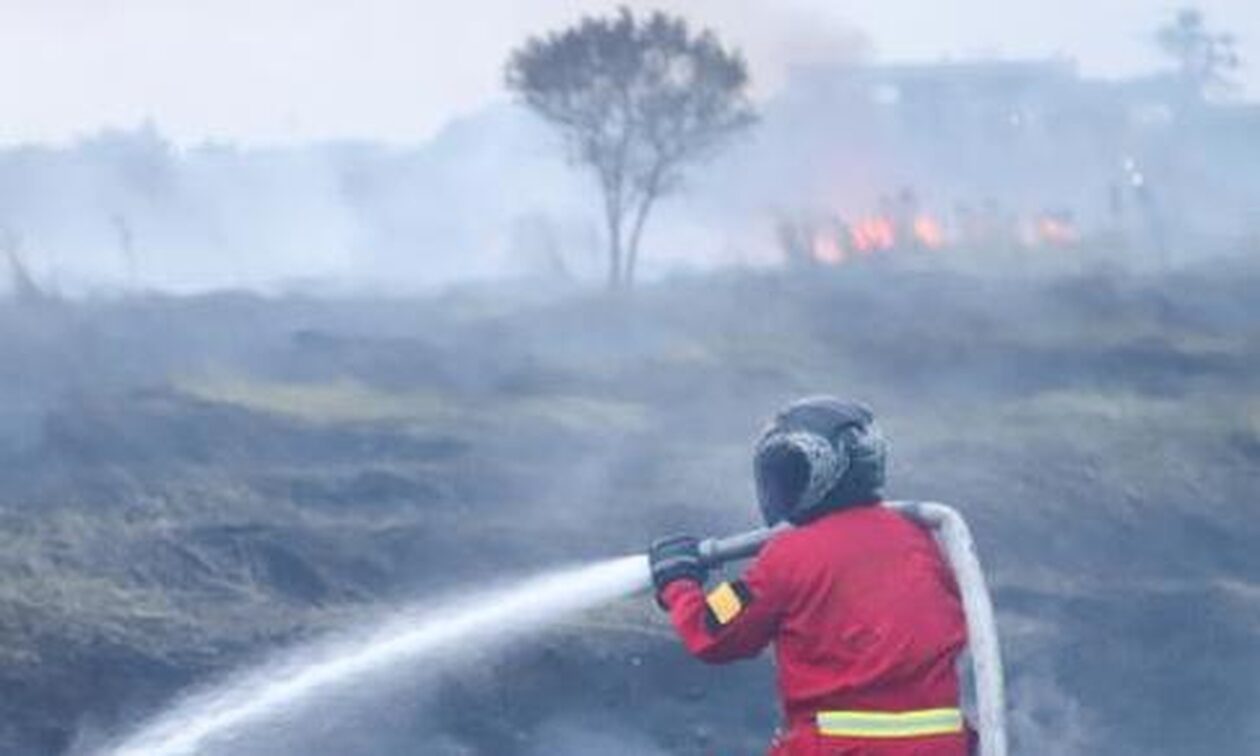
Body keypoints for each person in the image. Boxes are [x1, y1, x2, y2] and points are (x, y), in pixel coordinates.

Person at [649, 397, 971, 755]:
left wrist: (679, 583)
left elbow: (714, 628)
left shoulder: (790, 555)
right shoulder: (921, 540)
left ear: (819, 472)